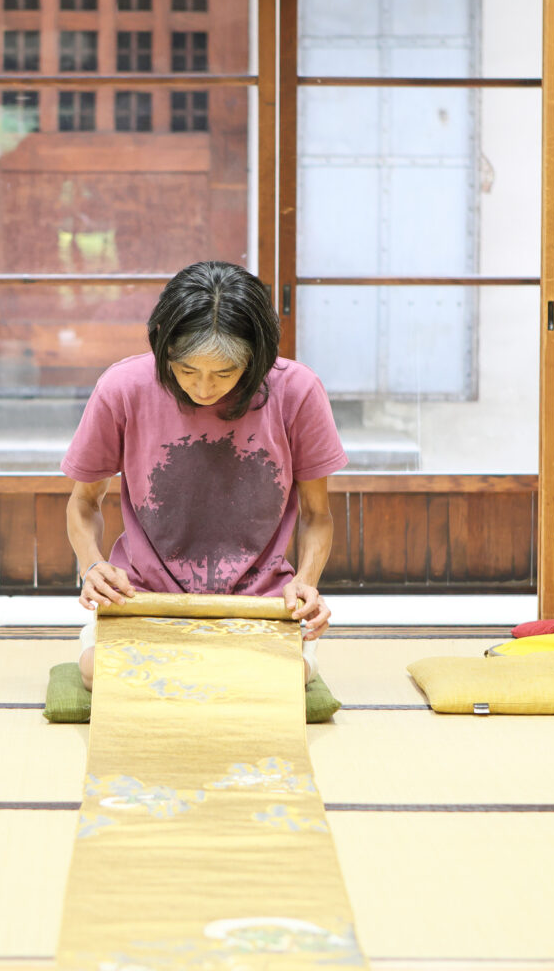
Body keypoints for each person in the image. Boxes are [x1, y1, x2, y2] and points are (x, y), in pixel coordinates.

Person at [61, 260, 348, 690]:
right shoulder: (123, 387)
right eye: (188, 370)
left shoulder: (298, 391)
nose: (204, 389)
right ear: (163, 345)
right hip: (144, 599)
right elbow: (83, 503)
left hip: (261, 604)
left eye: (225, 373)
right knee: (95, 672)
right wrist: (93, 565)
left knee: (287, 678)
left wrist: (306, 584)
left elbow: (316, 515)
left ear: (258, 356)